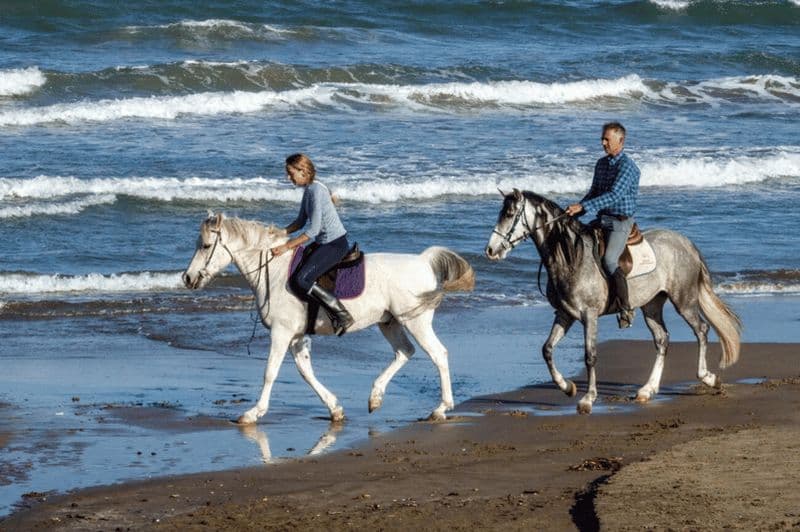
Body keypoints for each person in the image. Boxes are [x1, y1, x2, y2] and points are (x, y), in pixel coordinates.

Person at [564, 122, 641, 328]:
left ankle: (626, 308)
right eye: (602, 138)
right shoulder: (601, 164)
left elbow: (614, 195)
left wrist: (584, 206)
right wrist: (578, 208)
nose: (603, 143)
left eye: (607, 139)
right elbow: (594, 192)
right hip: (602, 219)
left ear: (620, 141)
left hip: (619, 222)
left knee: (609, 261)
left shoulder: (628, 168)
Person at [270, 153, 354, 336]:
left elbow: (313, 230)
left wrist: (287, 246)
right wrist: (281, 232)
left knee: (301, 279)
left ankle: (342, 314)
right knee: (295, 273)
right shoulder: (309, 190)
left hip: (334, 244)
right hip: (323, 243)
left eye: (290, 173)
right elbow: (300, 221)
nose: (288, 177)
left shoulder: (316, 191)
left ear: (303, 171)